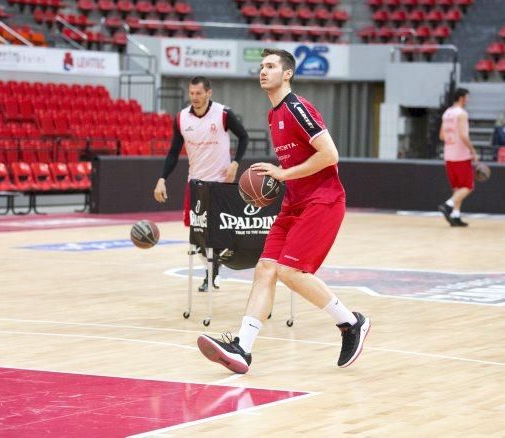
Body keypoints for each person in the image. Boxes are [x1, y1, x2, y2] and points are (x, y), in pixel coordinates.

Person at [196, 48, 370, 374]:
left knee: (291, 272)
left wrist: (283, 174)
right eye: (262, 66)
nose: (263, 71)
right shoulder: (272, 115)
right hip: (294, 202)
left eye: (271, 66)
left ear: (287, 73)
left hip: (324, 200)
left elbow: (330, 155)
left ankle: (351, 323)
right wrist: (281, 178)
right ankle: (242, 349)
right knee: (265, 269)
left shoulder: (296, 108)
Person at [153, 76, 250, 290]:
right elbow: (172, 153)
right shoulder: (181, 119)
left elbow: (244, 136)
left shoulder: (223, 114)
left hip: (220, 184)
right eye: (192, 93)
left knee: (219, 233)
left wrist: (235, 163)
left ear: (209, 93)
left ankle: (215, 268)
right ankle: (211, 270)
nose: (195, 97)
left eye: (199, 93)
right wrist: (162, 179)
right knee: (196, 236)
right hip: (196, 184)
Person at [438, 88, 478, 227]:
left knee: (457, 188)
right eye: (467, 97)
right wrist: (472, 150)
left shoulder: (446, 113)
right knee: (468, 186)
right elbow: (463, 135)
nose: (468, 100)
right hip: (461, 155)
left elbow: (442, 136)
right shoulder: (461, 114)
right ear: (461, 98)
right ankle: (448, 205)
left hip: (448, 154)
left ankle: (455, 216)